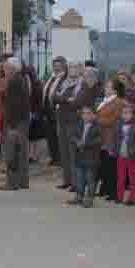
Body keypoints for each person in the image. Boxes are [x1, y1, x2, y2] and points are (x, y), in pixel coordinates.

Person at [0, 58, 31, 191]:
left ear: (13, 69)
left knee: (12, 153)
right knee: (21, 152)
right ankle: (22, 181)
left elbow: (15, 106)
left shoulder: (14, 81)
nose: (4, 70)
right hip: (20, 121)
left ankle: (12, 182)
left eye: (6, 68)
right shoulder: (20, 79)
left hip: (15, 123)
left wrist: (11, 125)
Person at [52, 62, 85, 191]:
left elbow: (75, 102)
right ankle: (66, 180)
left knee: (73, 153)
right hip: (61, 120)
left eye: (75, 67)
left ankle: (75, 183)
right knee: (63, 152)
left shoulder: (81, 84)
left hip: (73, 121)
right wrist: (64, 99)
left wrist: (63, 98)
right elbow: (54, 96)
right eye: (70, 67)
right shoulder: (64, 82)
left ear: (80, 70)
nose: (72, 70)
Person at [96, 76, 126, 202]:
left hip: (111, 136)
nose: (105, 88)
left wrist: (97, 120)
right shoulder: (105, 101)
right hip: (103, 136)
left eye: (108, 87)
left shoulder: (118, 102)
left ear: (115, 90)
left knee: (111, 166)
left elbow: (115, 120)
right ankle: (105, 189)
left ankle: (113, 192)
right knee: (104, 164)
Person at [71, 106, 101, 207]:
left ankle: (89, 199)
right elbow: (73, 135)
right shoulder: (79, 124)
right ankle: (79, 196)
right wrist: (77, 141)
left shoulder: (97, 126)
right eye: (83, 113)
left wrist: (85, 143)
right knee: (80, 178)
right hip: (80, 156)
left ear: (94, 115)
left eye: (88, 113)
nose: (85, 116)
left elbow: (99, 140)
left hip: (91, 157)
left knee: (90, 179)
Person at [114, 103, 135, 205]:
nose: (125, 115)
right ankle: (119, 196)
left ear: (133, 115)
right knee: (120, 177)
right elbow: (116, 139)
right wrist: (115, 149)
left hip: (131, 156)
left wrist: (133, 151)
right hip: (121, 155)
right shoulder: (119, 125)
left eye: (127, 113)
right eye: (123, 113)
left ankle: (131, 198)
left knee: (132, 178)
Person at [42, 57, 67, 166]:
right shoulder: (50, 77)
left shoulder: (64, 78)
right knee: (50, 136)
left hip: (57, 111)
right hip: (48, 111)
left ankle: (61, 158)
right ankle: (54, 157)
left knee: (59, 136)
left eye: (59, 65)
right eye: (55, 65)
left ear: (63, 66)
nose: (56, 68)